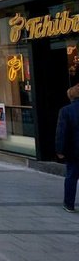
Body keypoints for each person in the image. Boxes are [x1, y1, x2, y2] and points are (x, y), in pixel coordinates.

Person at [56, 83, 79, 212]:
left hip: (74, 151)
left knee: (71, 177)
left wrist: (60, 150)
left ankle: (69, 204)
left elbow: (61, 132)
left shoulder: (66, 110)